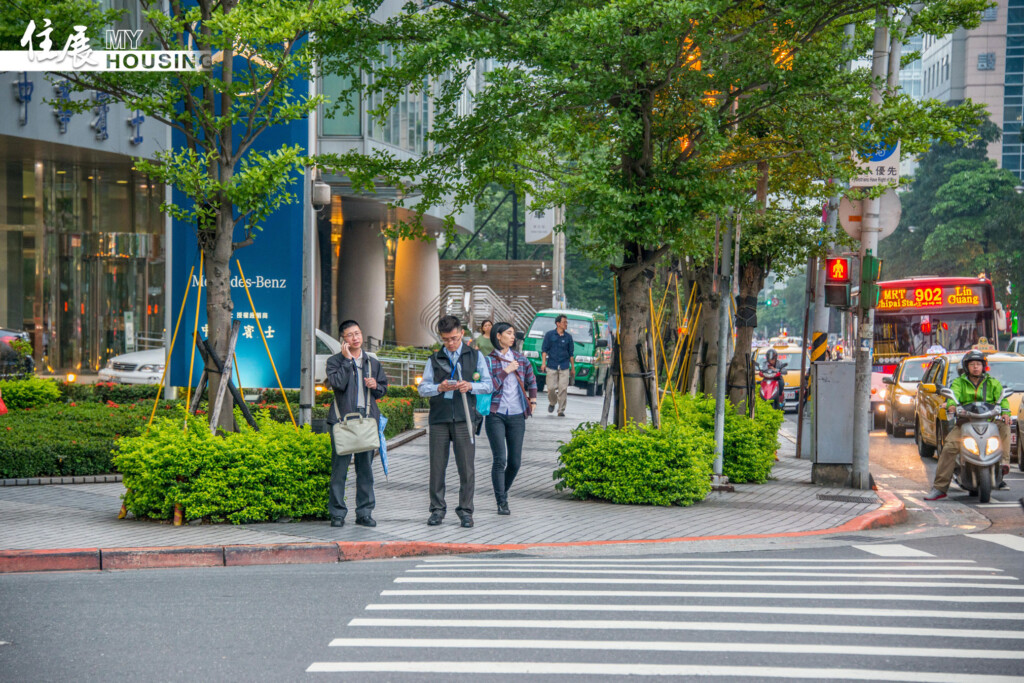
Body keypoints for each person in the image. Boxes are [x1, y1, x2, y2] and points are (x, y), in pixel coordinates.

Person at [418, 315, 493, 528]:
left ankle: (466, 511)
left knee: (466, 467)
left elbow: (488, 385)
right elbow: (422, 388)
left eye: (454, 338)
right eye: (445, 339)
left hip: (465, 417)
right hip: (439, 418)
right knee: (437, 467)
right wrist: (438, 388)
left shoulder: (475, 356)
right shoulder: (434, 359)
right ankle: (437, 510)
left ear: (461, 333)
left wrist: (470, 386)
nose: (450, 343)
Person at [325, 320, 389, 528]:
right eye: (350, 335)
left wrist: (376, 385)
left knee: (365, 470)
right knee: (339, 470)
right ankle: (337, 514)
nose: (355, 338)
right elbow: (337, 384)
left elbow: (383, 389)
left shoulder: (372, 362)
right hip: (342, 420)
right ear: (343, 340)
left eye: (358, 333)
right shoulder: (334, 361)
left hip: (367, 419)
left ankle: (364, 513)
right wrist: (346, 361)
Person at [924, 350, 1011, 501]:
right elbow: (953, 396)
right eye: (972, 364)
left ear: (983, 366)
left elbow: (1002, 399)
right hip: (965, 423)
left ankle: (1004, 464)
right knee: (949, 447)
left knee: (1005, 426)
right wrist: (951, 405)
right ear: (966, 367)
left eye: (978, 364)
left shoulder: (993, 383)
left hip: (988, 422)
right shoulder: (959, 382)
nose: (976, 367)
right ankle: (939, 488)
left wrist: (1005, 413)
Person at [485, 322, 538, 516]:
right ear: (498, 336)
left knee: (515, 462)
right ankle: (501, 501)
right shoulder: (488, 361)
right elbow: (488, 386)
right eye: (509, 333)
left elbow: (532, 379)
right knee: (500, 459)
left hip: (517, 414)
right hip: (495, 414)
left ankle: (502, 490)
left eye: (513, 334)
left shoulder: (521, 359)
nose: (512, 337)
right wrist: (505, 370)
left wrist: (533, 400)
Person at [541, 314, 575, 416]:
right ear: (558, 323)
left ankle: (561, 410)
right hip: (552, 365)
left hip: (564, 366)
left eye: (566, 322)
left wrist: (572, 368)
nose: (566, 324)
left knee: (563, 388)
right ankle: (552, 402)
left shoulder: (568, 337)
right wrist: (543, 363)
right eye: (564, 322)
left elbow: (571, 354)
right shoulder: (549, 335)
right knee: (551, 388)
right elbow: (544, 350)